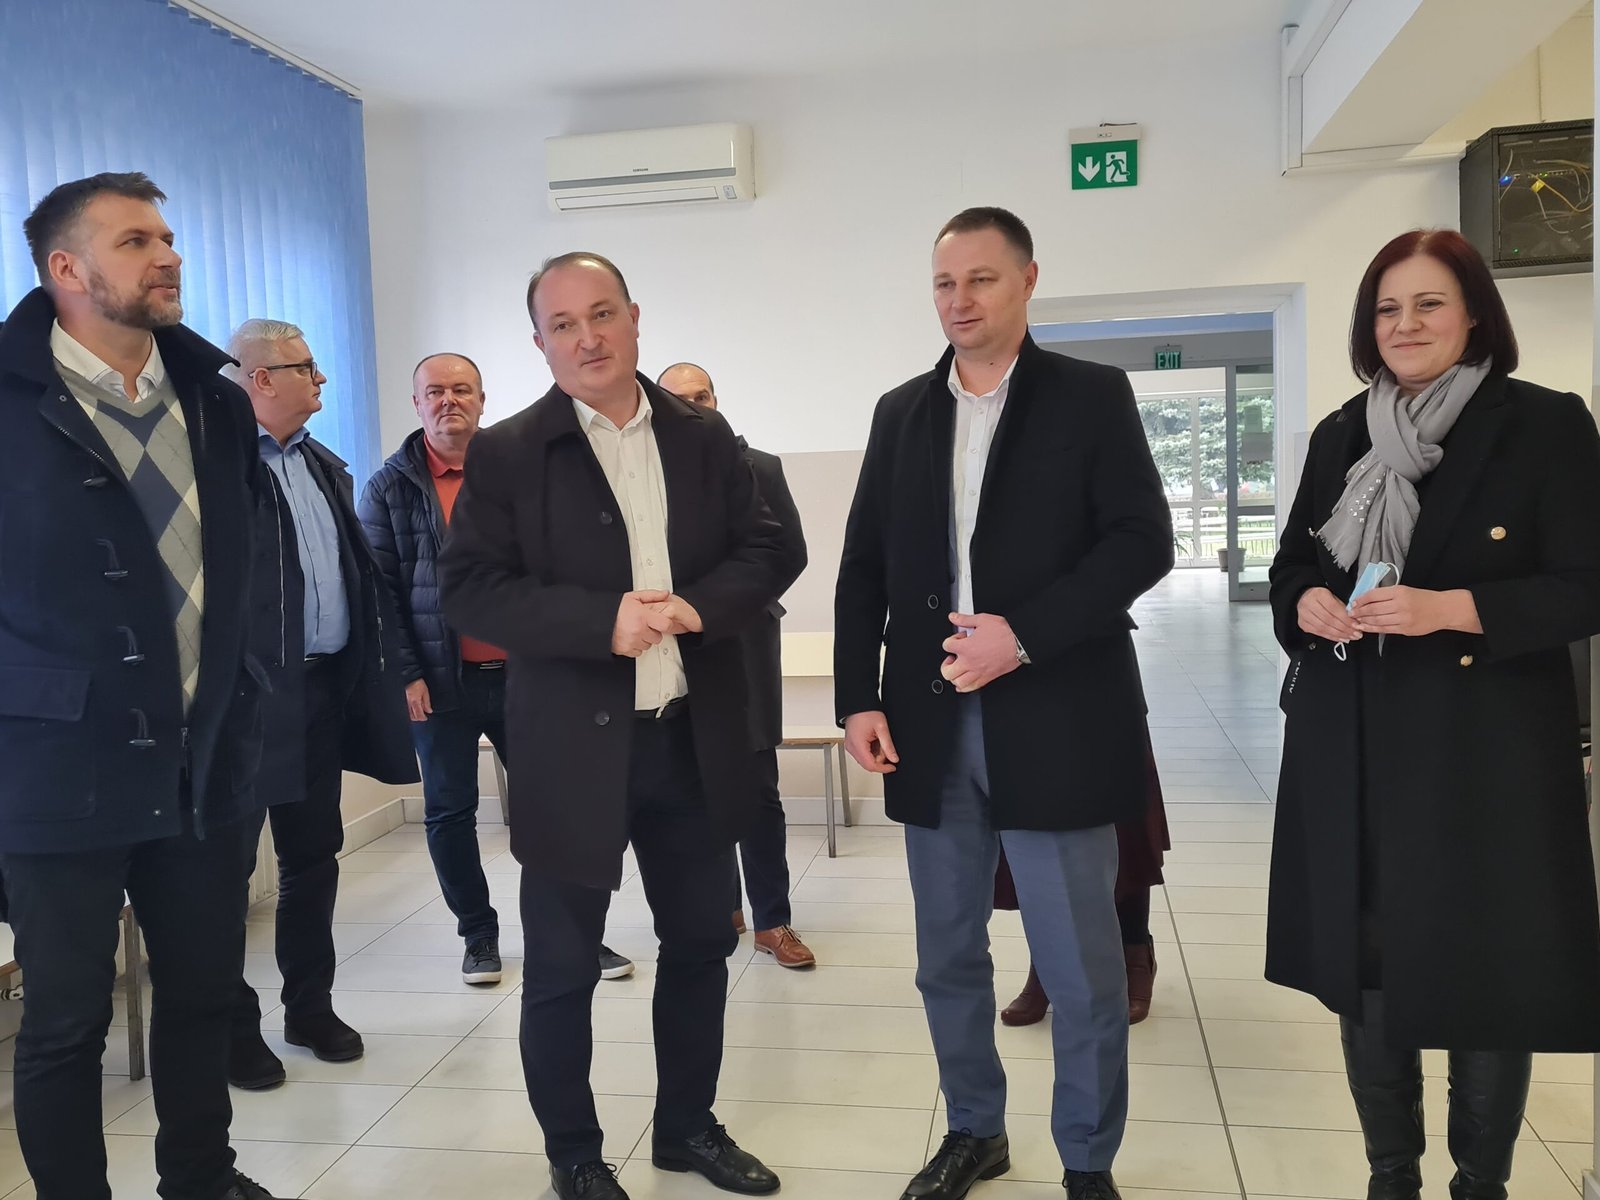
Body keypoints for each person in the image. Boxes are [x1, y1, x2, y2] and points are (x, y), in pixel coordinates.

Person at [834, 207, 1172, 1200]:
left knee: (1079, 966)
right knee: (946, 953)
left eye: (980, 279)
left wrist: (1020, 634)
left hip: (1056, 713)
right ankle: (974, 1130)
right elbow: (862, 567)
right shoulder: (901, 412)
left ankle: (1086, 1159)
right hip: (929, 725)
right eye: (944, 283)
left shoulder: (1089, 397)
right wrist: (858, 697)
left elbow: (1140, 541)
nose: (960, 300)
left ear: (1027, 280)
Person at [439, 252, 787, 1200]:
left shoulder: (703, 436)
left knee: (701, 945)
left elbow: (769, 546)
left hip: (689, 739)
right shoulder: (509, 452)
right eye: (563, 324)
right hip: (569, 753)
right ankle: (576, 1158)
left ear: (634, 317)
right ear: (540, 342)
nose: (587, 337)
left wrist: (699, 607)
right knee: (561, 968)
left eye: (602, 314)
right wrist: (602, 623)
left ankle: (687, 1129)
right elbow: (470, 588)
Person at [1267, 228, 1600, 1200]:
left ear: (1473, 316)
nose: (1404, 324)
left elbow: (1586, 584)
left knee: (1488, 969)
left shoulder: (1543, 424)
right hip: (1353, 743)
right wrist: (1305, 601)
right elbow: (1294, 562)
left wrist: (1450, 608)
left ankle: (1478, 1185)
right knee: (1366, 957)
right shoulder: (1343, 433)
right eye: (1386, 308)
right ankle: (1391, 1178)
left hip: (1484, 753)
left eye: (1427, 304)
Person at [0, 172, 276, 1199]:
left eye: (167, 236)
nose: (167, 256)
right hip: (55, 767)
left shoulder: (215, 399)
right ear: (66, 269)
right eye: (134, 241)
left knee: (202, 994)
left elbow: (247, 564)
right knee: (67, 1019)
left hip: (202, 760)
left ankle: (202, 1177)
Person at [359, 353, 635, 986]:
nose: (448, 401)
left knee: (556, 807)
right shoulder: (388, 488)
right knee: (449, 812)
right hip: (440, 682)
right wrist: (405, 673)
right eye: (435, 391)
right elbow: (380, 593)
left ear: (482, 399)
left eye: (462, 389)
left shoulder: (521, 468)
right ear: (416, 403)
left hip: (529, 676)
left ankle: (573, 934)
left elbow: (564, 570)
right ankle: (477, 934)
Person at [224, 319, 418, 1090]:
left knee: (312, 858)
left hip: (319, 693)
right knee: (227, 875)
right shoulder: (218, 466)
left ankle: (310, 1008)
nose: (322, 378)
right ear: (260, 379)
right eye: (306, 367)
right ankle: (232, 1030)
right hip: (244, 704)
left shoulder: (322, 464)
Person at [657, 361, 814, 968]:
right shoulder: (643, 473)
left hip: (744, 645)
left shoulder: (760, 467)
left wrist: (717, 607)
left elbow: (788, 554)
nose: (694, 407)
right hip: (672, 650)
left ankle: (772, 920)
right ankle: (722, 908)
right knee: (694, 786)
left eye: (702, 396)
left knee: (756, 788)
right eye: (680, 399)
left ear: (717, 400)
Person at [998, 732, 1169, 1026]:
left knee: (1123, 826)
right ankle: (1045, 963)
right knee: (1033, 818)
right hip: (1021, 718)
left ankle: (1135, 953)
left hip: (1105, 712)